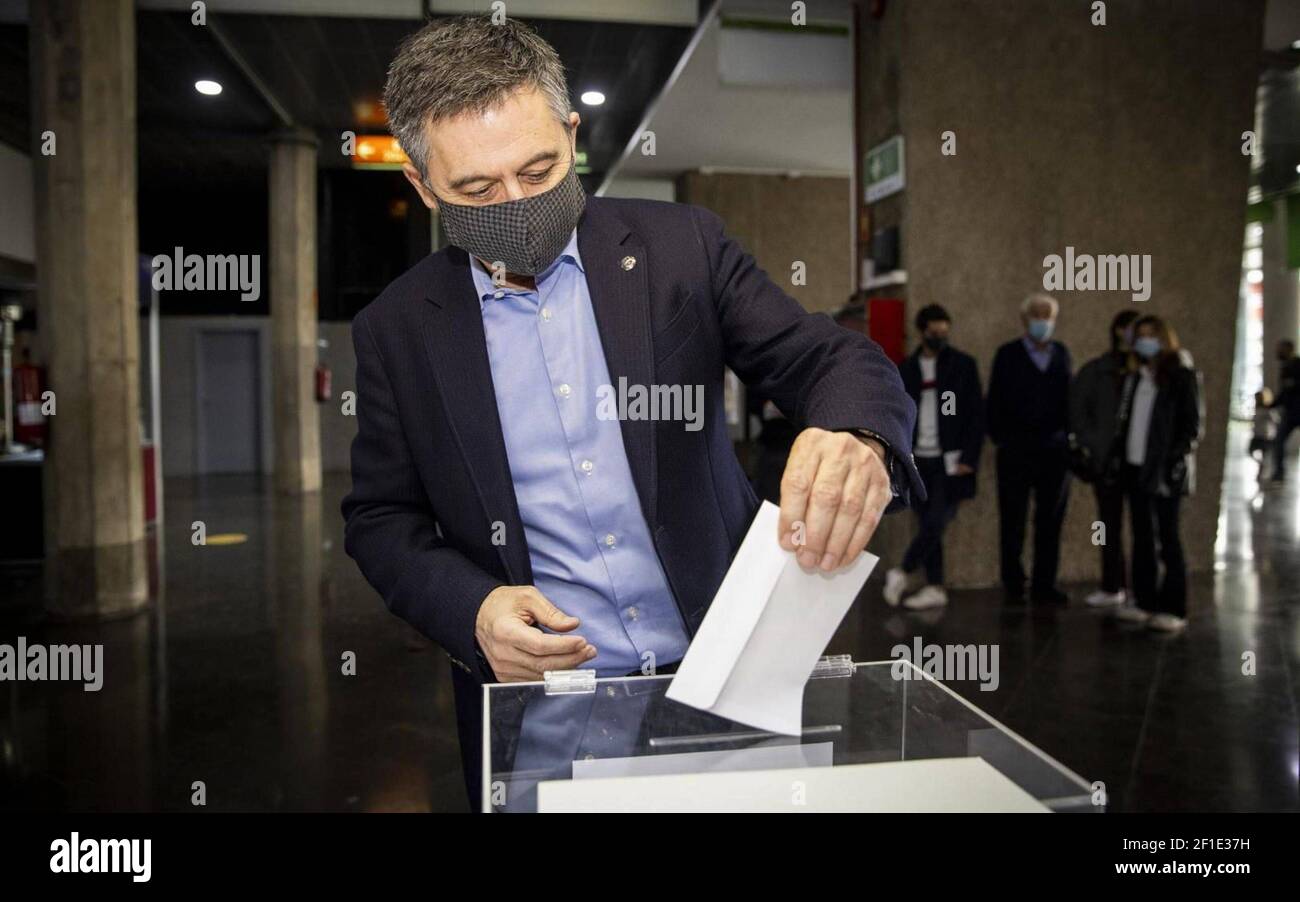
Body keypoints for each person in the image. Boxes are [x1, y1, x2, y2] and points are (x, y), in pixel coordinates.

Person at [341, 15, 921, 807]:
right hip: (544, 711)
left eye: (540, 170)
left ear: (572, 133)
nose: (514, 205)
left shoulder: (682, 248)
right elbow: (380, 518)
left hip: (732, 676)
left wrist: (857, 432)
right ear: (420, 184)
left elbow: (828, 356)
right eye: (477, 190)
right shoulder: (397, 330)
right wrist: (471, 609)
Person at [883, 304, 984, 610]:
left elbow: (975, 415)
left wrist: (970, 456)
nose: (940, 337)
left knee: (939, 518)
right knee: (928, 522)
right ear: (922, 331)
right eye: (934, 332)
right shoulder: (906, 369)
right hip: (917, 459)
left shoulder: (962, 366)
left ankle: (903, 570)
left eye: (944, 332)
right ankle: (935, 586)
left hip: (949, 460)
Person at [1111, 315, 1202, 632]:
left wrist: (1173, 462)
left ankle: (1174, 607)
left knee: (1168, 538)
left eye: (1152, 335)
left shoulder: (1181, 375)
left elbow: (1191, 427)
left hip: (1164, 471)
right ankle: (1144, 601)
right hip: (1135, 468)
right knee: (1141, 537)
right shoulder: (1137, 377)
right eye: (1141, 336)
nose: (1146, 341)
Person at [986, 293, 1072, 604]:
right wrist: (1002, 438)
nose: (1042, 322)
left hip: (1054, 452)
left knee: (1050, 521)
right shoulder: (1008, 354)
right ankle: (1013, 582)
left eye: (1047, 315)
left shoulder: (1061, 354)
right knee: (1013, 519)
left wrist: (1068, 439)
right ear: (1025, 320)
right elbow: (994, 401)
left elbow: (1068, 400)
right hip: (1015, 451)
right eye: (1037, 315)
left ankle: (1044, 584)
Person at [1068, 310, 1139, 607]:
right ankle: (1113, 585)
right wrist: (1095, 447)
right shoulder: (1096, 371)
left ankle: (1141, 590)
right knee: (1107, 527)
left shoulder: (1149, 373)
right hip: (1107, 461)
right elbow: (1078, 412)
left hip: (1140, 463)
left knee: (1146, 530)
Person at [1271, 339, 1300, 482]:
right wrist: (1272, 405)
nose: (1277, 352)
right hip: (1290, 413)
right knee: (1279, 441)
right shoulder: (1285, 368)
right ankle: (1279, 473)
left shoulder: (1297, 365)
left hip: (1296, 411)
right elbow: (1284, 393)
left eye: (1280, 349)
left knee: (1279, 441)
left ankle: (1279, 473)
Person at [1250, 388, 1276, 482]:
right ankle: (1261, 464)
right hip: (1256, 435)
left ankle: (1262, 472)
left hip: (1264, 436)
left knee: (1264, 454)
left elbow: (1274, 420)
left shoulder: (1267, 410)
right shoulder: (1256, 409)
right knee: (1250, 451)